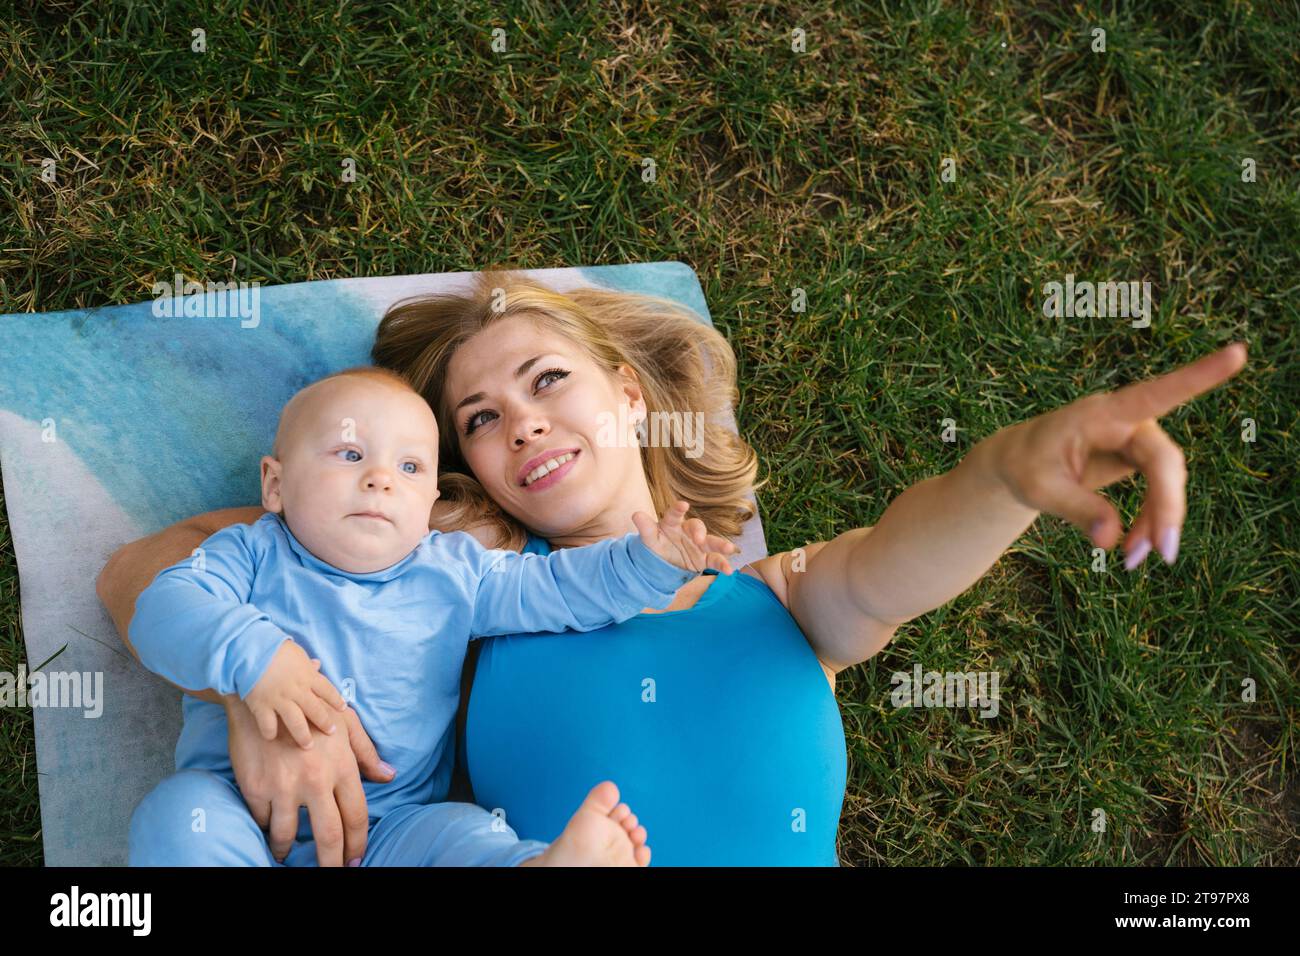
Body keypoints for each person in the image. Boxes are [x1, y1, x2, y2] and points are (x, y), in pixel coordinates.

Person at [98, 268, 1248, 865]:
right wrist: (260, 684)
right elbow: (142, 572)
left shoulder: (779, 594)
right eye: (481, 418)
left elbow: (908, 551)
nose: (525, 427)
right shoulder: (454, 582)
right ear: (469, 471)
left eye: (548, 380)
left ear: (630, 398)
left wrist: (1006, 470)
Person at [125, 365, 736, 867]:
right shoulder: (252, 552)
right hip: (239, 809)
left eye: (410, 468)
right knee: (177, 815)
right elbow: (162, 610)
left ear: (430, 504)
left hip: (391, 830)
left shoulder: (456, 573)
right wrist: (259, 659)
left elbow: (558, 589)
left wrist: (647, 563)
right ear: (275, 484)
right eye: (349, 453)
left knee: (464, 837)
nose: (380, 480)